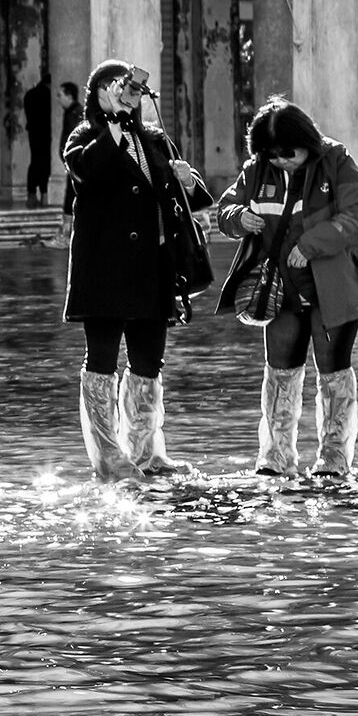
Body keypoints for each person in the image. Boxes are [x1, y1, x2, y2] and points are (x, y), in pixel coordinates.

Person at [56, 61, 210, 483]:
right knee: (101, 362)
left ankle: (146, 452)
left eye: (132, 90)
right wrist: (114, 127)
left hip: (153, 272)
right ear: (97, 92)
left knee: (148, 364)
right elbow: (85, 171)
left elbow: (190, 201)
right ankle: (108, 458)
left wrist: (188, 181)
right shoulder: (84, 136)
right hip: (104, 273)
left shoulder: (155, 139)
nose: (126, 94)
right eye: (114, 87)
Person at [214, 99, 358, 479]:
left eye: (288, 152)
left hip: (334, 288)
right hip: (279, 290)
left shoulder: (336, 160)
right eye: (271, 153)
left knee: (334, 371)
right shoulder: (257, 169)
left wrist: (311, 244)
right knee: (279, 371)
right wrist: (239, 218)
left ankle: (334, 459)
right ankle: (275, 456)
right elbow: (225, 209)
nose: (280, 159)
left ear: (306, 141)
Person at [21, 81, 54, 206]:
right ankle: (44, 194)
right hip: (45, 132)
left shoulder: (30, 94)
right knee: (44, 162)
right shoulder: (48, 95)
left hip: (33, 133)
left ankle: (32, 193)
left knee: (35, 161)